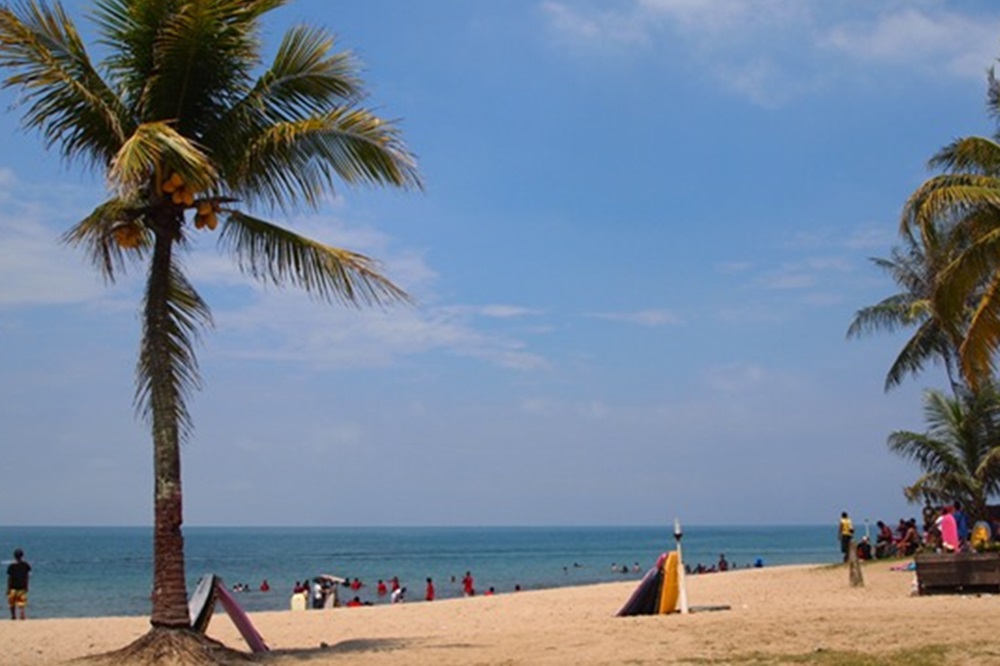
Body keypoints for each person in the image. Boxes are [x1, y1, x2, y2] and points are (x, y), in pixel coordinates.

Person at [7, 548, 30, 621]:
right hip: (22, 586)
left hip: (13, 587)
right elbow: (27, 576)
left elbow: (10, 578)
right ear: (22, 556)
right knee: (22, 602)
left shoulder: (12, 566)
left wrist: (8, 588)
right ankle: (22, 614)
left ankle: (13, 615)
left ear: (14, 556)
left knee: (12, 602)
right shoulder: (25, 565)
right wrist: (27, 585)